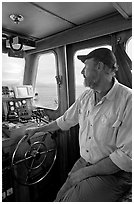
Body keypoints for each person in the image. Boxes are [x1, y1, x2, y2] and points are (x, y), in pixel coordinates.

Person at [25, 48, 132, 202]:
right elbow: (65, 120)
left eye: (85, 66)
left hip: (115, 173)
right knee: (60, 195)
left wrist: (83, 173)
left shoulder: (128, 100)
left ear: (99, 66)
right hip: (85, 161)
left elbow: (123, 157)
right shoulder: (86, 97)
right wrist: (37, 129)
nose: (82, 72)